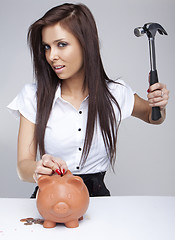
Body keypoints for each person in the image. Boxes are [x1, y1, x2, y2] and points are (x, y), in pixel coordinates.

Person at [7, 3, 169, 197]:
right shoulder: (33, 96)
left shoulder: (116, 93)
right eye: (46, 47)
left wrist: (159, 104)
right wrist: (39, 168)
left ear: (86, 44)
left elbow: (154, 117)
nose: (51, 56)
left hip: (98, 201)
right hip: (50, 195)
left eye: (62, 44)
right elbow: (22, 166)